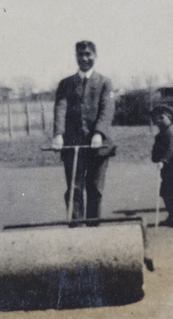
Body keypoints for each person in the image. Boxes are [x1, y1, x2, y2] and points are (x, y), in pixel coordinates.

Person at [52, 41, 116, 221]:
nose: (84, 58)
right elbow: (60, 108)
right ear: (76, 57)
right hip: (73, 144)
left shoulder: (105, 83)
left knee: (95, 188)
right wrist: (58, 134)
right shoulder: (66, 84)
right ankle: (76, 228)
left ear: (95, 56)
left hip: (98, 144)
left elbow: (106, 109)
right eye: (81, 54)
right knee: (74, 188)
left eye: (88, 54)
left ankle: (93, 230)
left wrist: (98, 133)